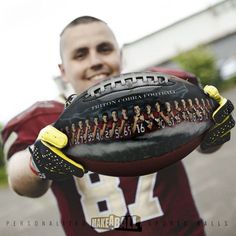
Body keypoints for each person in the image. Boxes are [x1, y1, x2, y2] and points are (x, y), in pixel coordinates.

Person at [1, 16, 234, 236]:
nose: (96, 61)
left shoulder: (164, 93)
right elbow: (19, 180)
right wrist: (37, 163)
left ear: (120, 55)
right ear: (63, 71)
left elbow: (204, 147)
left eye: (105, 49)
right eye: (80, 55)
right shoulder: (44, 118)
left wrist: (214, 134)